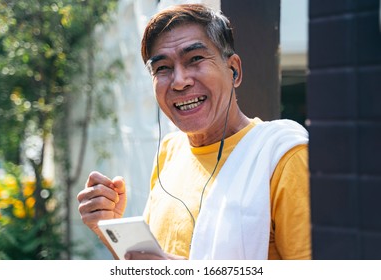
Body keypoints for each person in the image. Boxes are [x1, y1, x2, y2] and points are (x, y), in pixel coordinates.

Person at [77, 4, 311, 260]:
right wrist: (108, 228)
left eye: (195, 59)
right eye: (162, 68)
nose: (179, 81)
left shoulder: (284, 159)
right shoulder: (170, 151)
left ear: (234, 70)